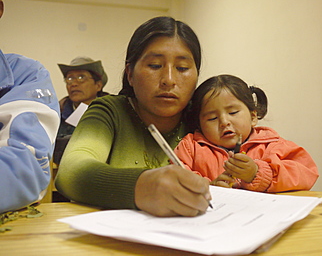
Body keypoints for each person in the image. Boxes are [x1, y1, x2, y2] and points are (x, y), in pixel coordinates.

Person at [55, 16, 211, 217]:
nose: (169, 80)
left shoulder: (205, 119)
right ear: (130, 73)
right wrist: (142, 186)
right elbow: (71, 171)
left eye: (182, 68)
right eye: (155, 65)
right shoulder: (110, 112)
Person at [174, 74, 319, 192]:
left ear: (253, 117)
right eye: (212, 118)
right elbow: (177, 178)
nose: (224, 122)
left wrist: (258, 173)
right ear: (199, 124)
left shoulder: (272, 145)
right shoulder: (190, 147)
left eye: (233, 112)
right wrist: (209, 188)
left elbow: (307, 173)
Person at [0, 0, 60, 212]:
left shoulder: (25, 75)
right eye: (71, 77)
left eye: (81, 77)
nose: (73, 83)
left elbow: (27, 164)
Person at [56, 56, 109, 138]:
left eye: (81, 77)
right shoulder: (57, 114)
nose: (74, 84)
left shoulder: (112, 112)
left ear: (98, 85)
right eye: (69, 79)